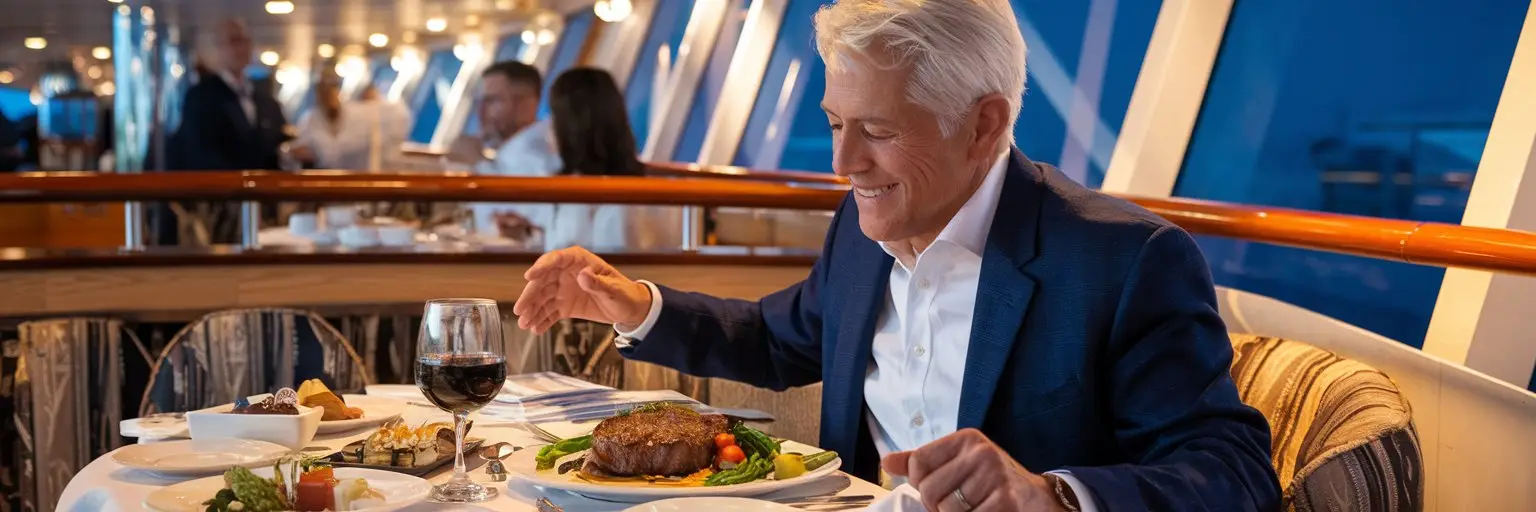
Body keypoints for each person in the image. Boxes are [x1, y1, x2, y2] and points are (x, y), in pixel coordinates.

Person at [512, 0, 1281, 510]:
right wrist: (636, 306)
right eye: (833, 123)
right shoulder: (862, 227)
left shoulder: (1125, 260)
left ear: (984, 126)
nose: (843, 162)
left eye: (877, 132)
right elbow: (781, 339)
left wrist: (1052, 497)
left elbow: (1236, 472)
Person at [504, 67, 680, 251]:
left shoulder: (618, 202)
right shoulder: (574, 184)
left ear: (569, 125)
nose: (549, 127)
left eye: (554, 116)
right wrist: (528, 234)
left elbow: (615, 268)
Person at [160, 19, 287, 244]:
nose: (243, 47)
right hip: (218, 215)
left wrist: (288, 155)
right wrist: (244, 188)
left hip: (262, 214)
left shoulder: (266, 101)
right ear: (216, 49)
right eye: (234, 41)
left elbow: (272, 150)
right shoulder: (201, 97)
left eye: (246, 40)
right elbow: (201, 154)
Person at [471, 61, 560, 240]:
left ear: (526, 105)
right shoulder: (511, 155)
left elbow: (518, 237)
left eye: (492, 101)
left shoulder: (535, 159)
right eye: (480, 102)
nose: (480, 113)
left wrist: (476, 164)